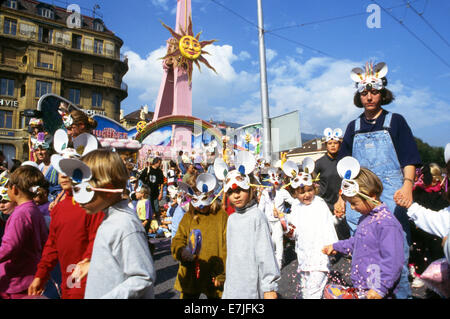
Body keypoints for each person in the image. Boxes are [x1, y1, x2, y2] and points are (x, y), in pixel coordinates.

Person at [335, 62, 421, 299]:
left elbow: (409, 157)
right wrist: (341, 198)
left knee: (396, 260)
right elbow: (345, 167)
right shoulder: (353, 126)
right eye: (364, 93)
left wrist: (407, 185)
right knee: (364, 258)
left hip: (393, 199)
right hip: (360, 201)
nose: (369, 97)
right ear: (358, 95)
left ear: (382, 93)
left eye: (373, 92)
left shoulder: (396, 121)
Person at [66, 149, 156, 298]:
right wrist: (94, 265)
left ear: (107, 189)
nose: (77, 200)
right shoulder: (111, 219)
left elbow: (143, 277)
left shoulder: (124, 225)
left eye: (81, 190)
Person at [323, 161, 404, 299]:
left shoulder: (386, 224)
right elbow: (358, 242)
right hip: (363, 287)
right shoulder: (365, 218)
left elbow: (393, 260)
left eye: (354, 203)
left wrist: (380, 288)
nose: (352, 208)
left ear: (371, 197)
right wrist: (337, 246)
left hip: (377, 291)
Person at [27, 173, 104, 299]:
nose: (64, 175)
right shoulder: (58, 208)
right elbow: (52, 245)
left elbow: (94, 245)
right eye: (61, 170)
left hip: (86, 282)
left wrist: (77, 283)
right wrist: (40, 275)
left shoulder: (92, 206)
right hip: (68, 279)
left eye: (70, 170)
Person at [220, 157, 280, 299]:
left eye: (241, 189)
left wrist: (269, 287)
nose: (236, 195)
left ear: (250, 188)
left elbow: (266, 253)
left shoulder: (257, 217)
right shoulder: (231, 219)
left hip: (252, 286)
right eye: (231, 192)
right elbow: (231, 257)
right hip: (233, 286)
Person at [282, 160, 338, 299]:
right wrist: (287, 229)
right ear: (295, 193)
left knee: (313, 293)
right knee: (307, 291)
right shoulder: (295, 206)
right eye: (302, 192)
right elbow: (294, 232)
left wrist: (333, 244)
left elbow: (329, 223)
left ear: (314, 188)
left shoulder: (319, 203)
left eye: (309, 190)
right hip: (304, 256)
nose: (306, 195)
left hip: (319, 256)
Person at [171, 175, 228, 299]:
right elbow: (178, 239)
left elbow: (226, 246)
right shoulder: (188, 217)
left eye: (203, 198)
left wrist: (222, 274)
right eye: (194, 199)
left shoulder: (221, 216)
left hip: (214, 273)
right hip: (191, 273)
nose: (199, 206)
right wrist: (181, 251)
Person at [0, 165, 48, 299]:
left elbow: (10, 246)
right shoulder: (33, 210)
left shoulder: (20, 214)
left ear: (14, 189)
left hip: (15, 281)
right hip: (30, 274)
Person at [315, 128, 350, 240]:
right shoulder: (320, 162)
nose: (333, 145)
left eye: (335, 143)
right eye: (330, 143)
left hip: (343, 199)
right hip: (326, 200)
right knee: (329, 228)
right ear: (326, 145)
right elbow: (314, 179)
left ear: (339, 144)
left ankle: (347, 251)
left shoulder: (344, 160)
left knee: (344, 227)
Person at [258, 169, 285, 270]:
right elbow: (261, 208)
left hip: (278, 222)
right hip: (268, 222)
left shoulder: (282, 192)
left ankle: (279, 264)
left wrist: (283, 215)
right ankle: (271, 263)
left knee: (278, 241)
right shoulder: (265, 193)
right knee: (270, 243)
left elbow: (293, 202)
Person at [139, 157, 164, 225]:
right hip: (148, 193)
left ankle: (156, 223)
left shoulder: (159, 171)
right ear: (155, 163)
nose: (160, 164)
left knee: (156, 208)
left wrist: (161, 192)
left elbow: (162, 182)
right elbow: (141, 178)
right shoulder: (148, 169)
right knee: (148, 208)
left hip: (155, 192)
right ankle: (148, 223)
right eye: (159, 163)